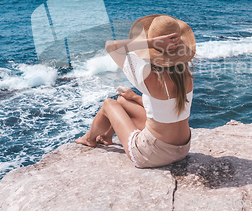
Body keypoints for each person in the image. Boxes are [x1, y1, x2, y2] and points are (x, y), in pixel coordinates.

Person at [75, 14, 196, 168]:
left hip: (152, 154)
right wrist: (135, 97)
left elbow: (111, 46)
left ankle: (89, 139)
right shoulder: (186, 75)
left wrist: (151, 43)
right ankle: (106, 136)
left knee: (109, 104)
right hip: (183, 149)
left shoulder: (147, 74)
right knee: (123, 100)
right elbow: (165, 107)